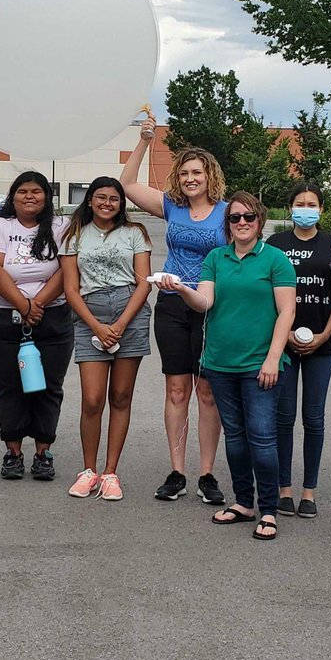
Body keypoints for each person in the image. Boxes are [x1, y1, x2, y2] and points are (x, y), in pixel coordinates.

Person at [157, 191, 296, 540]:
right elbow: (205, 302)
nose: (242, 222)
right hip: (219, 362)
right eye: (235, 218)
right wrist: (181, 288)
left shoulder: (275, 259)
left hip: (260, 363)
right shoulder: (216, 257)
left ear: (260, 221)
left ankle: (268, 509)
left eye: (249, 216)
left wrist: (273, 358)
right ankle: (244, 502)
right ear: (228, 225)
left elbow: (287, 312)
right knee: (234, 437)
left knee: (262, 438)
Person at [121, 112, 227, 505]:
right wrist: (145, 141)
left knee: (207, 391)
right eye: (184, 174)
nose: (190, 179)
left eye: (196, 172)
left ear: (209, 175)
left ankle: (207, 475)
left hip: (211, 307)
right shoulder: (171, 207)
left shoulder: (227, 211)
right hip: (171, 305)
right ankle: (178, 471)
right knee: (177, 389)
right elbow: (127, 184)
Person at [59, 177, 153, 501]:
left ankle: (110, 473)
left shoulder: (135, 233)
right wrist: (97, 327)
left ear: (121, 203)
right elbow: (71, 289)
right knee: (92, 399)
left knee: (122, 396)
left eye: (114, 199)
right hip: (90, 315)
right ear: (90, 200)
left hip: (130, 312)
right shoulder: (74, 236)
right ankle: (89, 470)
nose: (107, 204)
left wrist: (121, 323)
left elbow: (144, 283)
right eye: (101, 197)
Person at [0, 171, 74, 482]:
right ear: (13, 196)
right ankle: (14, 452)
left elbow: (67, 269)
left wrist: (38, 305)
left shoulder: (61, 226)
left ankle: (43, 452)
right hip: (5, 317)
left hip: (52, 318)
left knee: (48, 386)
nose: (29, 196)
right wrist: (24, 306)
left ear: (47, 196)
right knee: (7, 386)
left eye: (36, 191)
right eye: (23, 191)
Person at [266, 182, 331, 519]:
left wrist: (324, 335)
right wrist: (284, 334)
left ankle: (309, 491)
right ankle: (284, 488)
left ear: (321, 209)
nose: (306, 209)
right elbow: (267, 294)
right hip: (283, 343)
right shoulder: (276, 245)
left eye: (312, 204)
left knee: (314, 418)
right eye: (300, 203)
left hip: (321, 345)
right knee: (283, 417)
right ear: (290, 208)